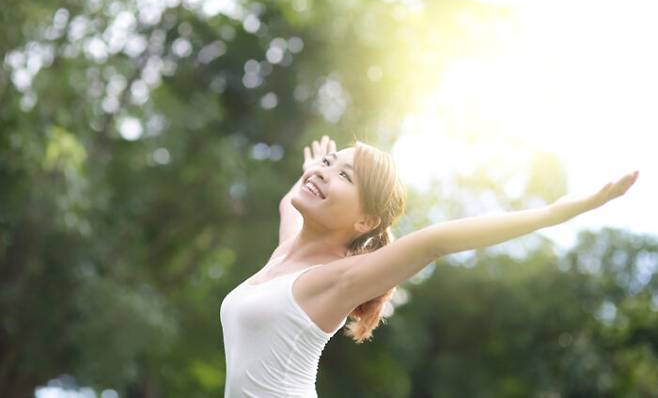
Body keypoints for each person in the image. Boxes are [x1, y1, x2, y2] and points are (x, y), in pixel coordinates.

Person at [219, 135, 639, 397]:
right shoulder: (286, 254)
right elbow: (286, 202)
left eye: (345, 177)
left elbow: (436, 241)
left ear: (365, 222)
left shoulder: (334, 280)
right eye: (328, 166)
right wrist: (319, 168)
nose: (324, 173)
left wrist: (556, 214)